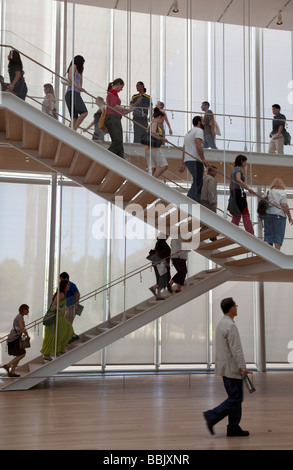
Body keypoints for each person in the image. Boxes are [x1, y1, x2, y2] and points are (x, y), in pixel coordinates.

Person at [203, 297, 249, 437]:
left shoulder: (221, 324)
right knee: (236, 398)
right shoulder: (231, 326)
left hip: (224, 367)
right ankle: (212, 415)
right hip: (232, 367)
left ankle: (233, 427)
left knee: (234, 397)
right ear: (231, 308)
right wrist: (242, 366)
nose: (236, 308)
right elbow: (236, 349)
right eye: (235, 305)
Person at [40, 280, 74, 361]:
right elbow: (54, 305)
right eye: (68, 284)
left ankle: (57, 350)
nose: (69, 285)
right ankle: (50, 353)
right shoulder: (61, 294)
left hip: (58, 317)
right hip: (56, 317)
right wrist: (62, 309)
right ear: (64, 285)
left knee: (57, 333)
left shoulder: (62, 293)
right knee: (64, 330)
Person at [179, 116, 209, 203]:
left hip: (188, 160)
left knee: (199, 181)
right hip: (195, 159)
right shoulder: (199, 131)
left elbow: (184, 148)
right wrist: (203, 159)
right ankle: (188, 199)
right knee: (198, 181)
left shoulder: (188, 133)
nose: (204, 123)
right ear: (199, 122)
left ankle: (196, 202)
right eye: (203, 121)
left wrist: (183, 163)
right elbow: (198, 145)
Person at [105, 78, 136, 159]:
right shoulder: (113, 91)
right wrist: (125, 109)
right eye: (121, 87)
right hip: (113, 118)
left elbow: (114, 108)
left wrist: (125, 111)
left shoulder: (111, 92)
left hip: (113, 117)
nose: (121, 89)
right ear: (118, 84)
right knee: (118, 140)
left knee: (119, 143)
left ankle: (120, 160)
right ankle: (106, 156)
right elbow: (114, 105)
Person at [263, 178, 293, 250]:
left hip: (267, 215)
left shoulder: (268, 192)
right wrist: (289, 217)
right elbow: (284, 205)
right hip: (279, 216)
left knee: (268, 236)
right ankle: (276, 256)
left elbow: (262, 202)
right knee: (278, 237)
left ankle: (266, 253)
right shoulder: (282, 193)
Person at [229, 154, 254, 235]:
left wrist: (232, 195)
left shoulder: (233, 170)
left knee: (237, 214)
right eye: (245, 162)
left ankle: (231, 232)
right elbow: (238, 179)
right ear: (242, 161)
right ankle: (251, 233)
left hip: (234, 193)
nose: (245, 164)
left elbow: (230, 184)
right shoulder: (238, 169)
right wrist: (248, 188)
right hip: (239, 193)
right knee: (245, 213)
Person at [4, 304, 30, 377]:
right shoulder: (20, 317)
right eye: (27, 310)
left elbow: (19, 329)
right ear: (23, 310)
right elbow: (22, 328)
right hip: (13, 340)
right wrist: (27, 335)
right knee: (22, 353)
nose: (28, 311)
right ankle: (8, 365)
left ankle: (12, 372)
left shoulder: (20, 316)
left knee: (19, 354)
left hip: (15, 338)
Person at [65, 55, 88, 130]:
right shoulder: (73, 66)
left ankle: (68, 135)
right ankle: (73, 131)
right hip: (72, 92)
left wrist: (80, 88)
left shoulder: (79, 69)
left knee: (74, 117)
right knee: (84, 112)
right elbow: (70, 76)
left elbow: (80, 81)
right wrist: (76, 86)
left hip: (75, 92)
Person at [145, 107, 168, 178]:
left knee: (152, 169)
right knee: (164, 166)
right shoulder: (154, 124)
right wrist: (161, 138)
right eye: (162, 119)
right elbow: (153, 134)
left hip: (148, 149)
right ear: (160, 117)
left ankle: (150, 183)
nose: (162, 121)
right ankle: (152, 182)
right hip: (154, 148)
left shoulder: (150, 124)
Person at [149, 234, 171, 300]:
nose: (168, 237)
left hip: (157, 263)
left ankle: (159, 295)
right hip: (160, 263)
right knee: (166, 277)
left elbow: (158, 252)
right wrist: (163, 259)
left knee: (160, 278)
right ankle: (154, 288)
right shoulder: (162, 242)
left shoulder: (159, 242)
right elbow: (159, 253)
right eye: (167, 236)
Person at [60, 272, 80, 341]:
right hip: (68, 306)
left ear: (65, 278)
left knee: (67, 322)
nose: (60, 281)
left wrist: (76, 304)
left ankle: (72, 336)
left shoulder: (71, 285)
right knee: (67, 322)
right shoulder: (66, 286)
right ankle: (72, 335)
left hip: (72, 307)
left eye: (61, 279)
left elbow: (77, 294)